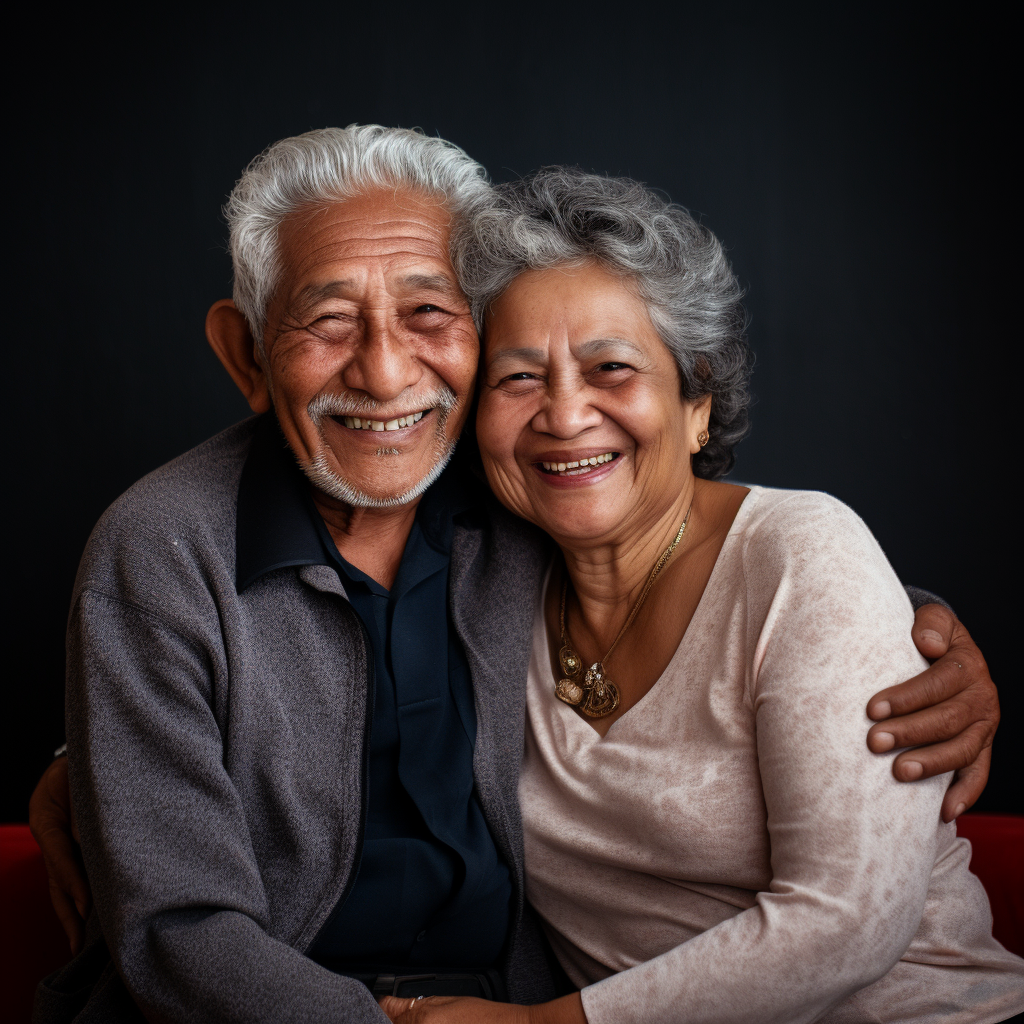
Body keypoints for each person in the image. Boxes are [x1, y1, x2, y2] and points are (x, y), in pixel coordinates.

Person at [30, 128, 1002, 1023]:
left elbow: (732, 564)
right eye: (327, 319)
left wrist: (907, 630)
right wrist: (108, 757)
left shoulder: (511, 507)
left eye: (425, 313)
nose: (382, 373)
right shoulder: (167, 547)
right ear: (247, 353)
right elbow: (180, 933)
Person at [372, 169, 1024, 1023]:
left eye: (611, 367)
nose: (565, 415)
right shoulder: (483, 584)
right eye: (518, 378)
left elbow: (849, 921)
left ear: (697, 404)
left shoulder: (800, 554)